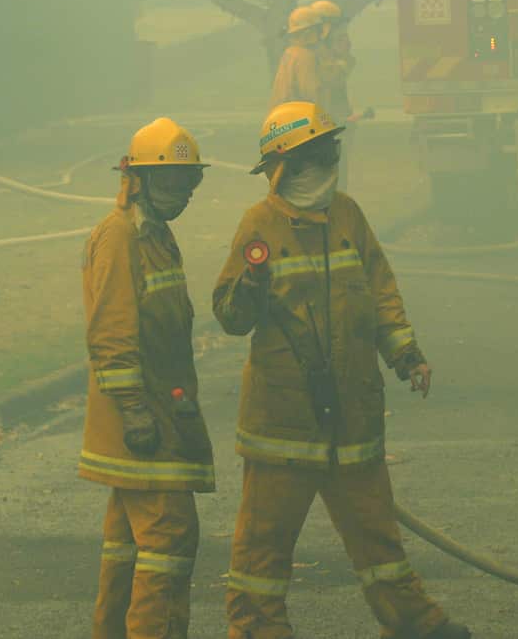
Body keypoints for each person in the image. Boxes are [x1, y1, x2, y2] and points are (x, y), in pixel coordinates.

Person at [212, 101, 471, 639]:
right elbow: (231, 317)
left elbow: (380, 289)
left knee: (377, 535)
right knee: (264, 542)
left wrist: (406, 354)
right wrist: (251, 285)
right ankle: (257, 628)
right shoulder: (259, 225)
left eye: (330, 152)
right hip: (284, 420)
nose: (328, 164)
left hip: (352, 412)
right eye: (316, 155)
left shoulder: (348, 216)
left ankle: (413, 622)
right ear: (284, 167)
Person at [79, 117, 215, 639]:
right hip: (142, 419)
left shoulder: (156, 235)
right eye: (171, 180)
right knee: (169, 538)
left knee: (128, 544)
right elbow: (111, 332)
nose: (182, 193)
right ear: (136, 179)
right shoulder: (120, 237)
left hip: (162, 412)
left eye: (189, 181)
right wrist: (134, 408)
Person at [311, 0, 361, 187]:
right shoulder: (316, 48)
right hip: (323, 116)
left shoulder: (330, 45)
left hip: (335, 115)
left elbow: (338, 75)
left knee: (337, 167)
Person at [269, 6, 324, 110]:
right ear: (308, 33)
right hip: (299, 116)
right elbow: (312, 93)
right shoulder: (305, 57)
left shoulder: (290, 52)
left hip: (282, 114)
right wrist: (327, 115)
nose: (320, 35)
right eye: (318, 30)